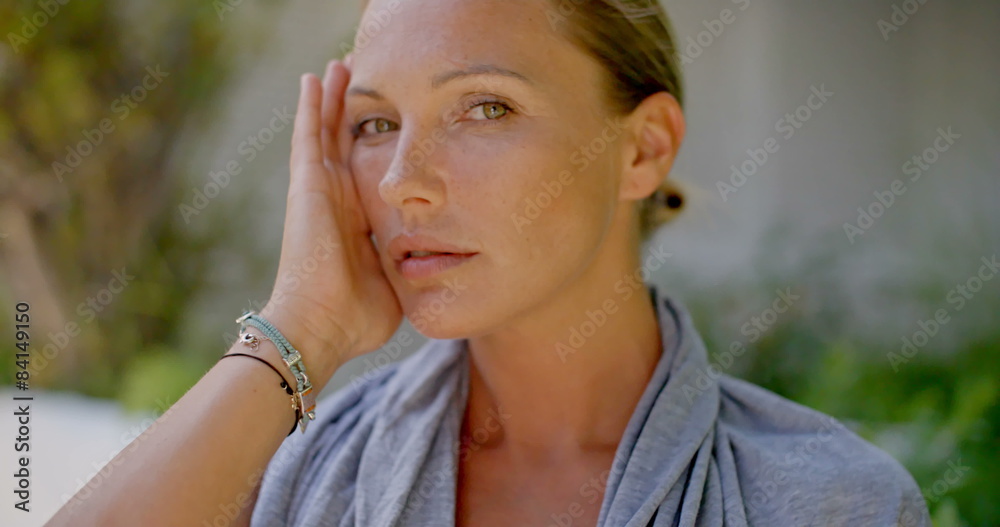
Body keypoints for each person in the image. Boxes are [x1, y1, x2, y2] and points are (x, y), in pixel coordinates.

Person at [45, 0, 931, 525]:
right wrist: (297, 336)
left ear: (644, 148)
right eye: (376, 122)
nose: (402, 184)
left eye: (485, 108)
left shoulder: (825, 499)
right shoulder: (305, 475)